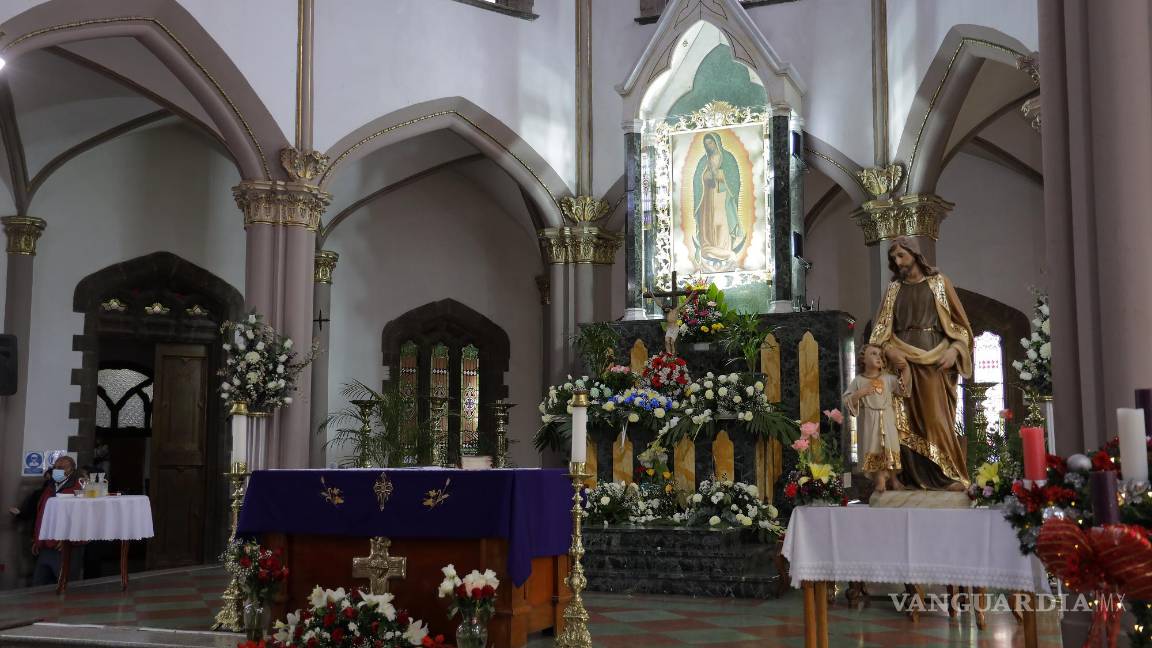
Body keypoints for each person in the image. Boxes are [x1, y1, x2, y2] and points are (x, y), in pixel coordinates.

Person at [869, 236, 974, 491]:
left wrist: (955, 349)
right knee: (901, 422)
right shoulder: (894, 290)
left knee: (936, 419)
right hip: (901, 362)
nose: (897, 261)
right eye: (893, 258)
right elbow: (880, 330)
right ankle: (907, 478)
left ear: (915, 254)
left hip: (934, 362)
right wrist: (888, 349)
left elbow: (962, 327)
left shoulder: (939, 284)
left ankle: (947, 475)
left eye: (901, 255)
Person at [9, 453, 85, 586]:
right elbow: (41, 514)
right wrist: (37, 538)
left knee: (64, 585)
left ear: (72, 470)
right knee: (39, 584)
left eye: (62, 467)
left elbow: (80, 518)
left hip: (64, 547)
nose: (58, 470)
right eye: (56, 467)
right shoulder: (49, 488)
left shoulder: (77, 490)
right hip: (45, 545)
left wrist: (68, 538)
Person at [844, 344, 903, 493]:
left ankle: (894, 479)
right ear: (863, 359)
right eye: (873, 354)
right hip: (870, 419)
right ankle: (880, 480)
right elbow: (847, 399)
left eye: (880, 354)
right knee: (874, 447)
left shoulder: (888, 378)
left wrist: (905, 368)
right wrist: (861, 392)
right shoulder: (858, 380)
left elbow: (903, 388)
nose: (878, 357)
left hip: (887, 417)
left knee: (890, 447)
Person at [691, 132, 745, 268]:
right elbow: (697, 181)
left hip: (722, 197)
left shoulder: (728, 158)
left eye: (711, 143)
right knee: (708, 223)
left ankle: (724, 250)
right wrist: (707, 175)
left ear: (717, 142)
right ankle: (708, 247)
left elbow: (734, 180)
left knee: (721, 222)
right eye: (707, 144)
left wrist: (719, 174)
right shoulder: (703, 161)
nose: (709, 146)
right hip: (707, 197)